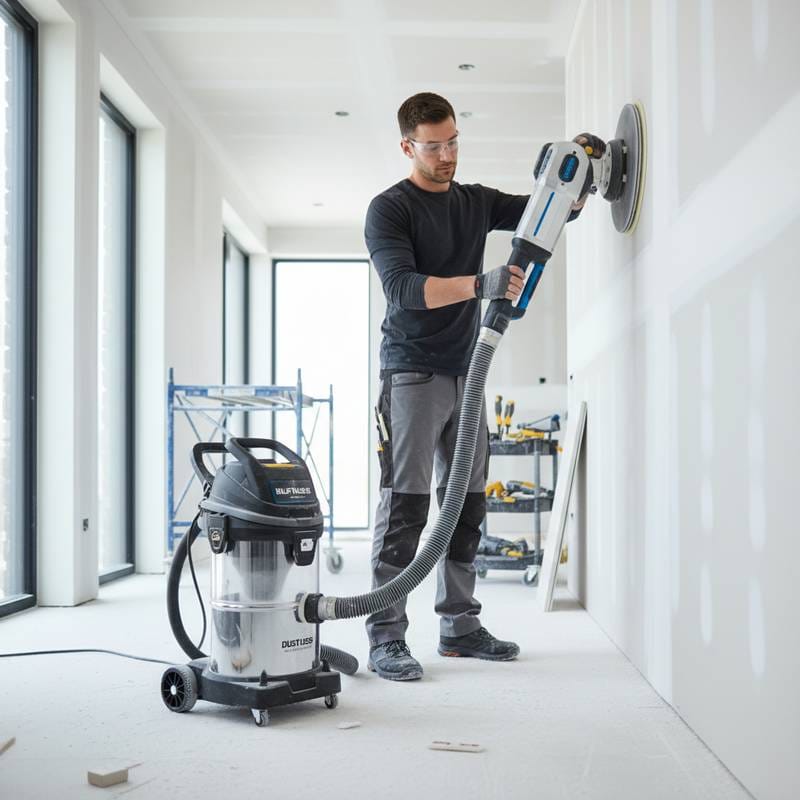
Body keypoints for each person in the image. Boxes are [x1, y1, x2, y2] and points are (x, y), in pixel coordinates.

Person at [364, 91, 592, 682]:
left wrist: (581, 171)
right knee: (407, 506)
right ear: (408, 146)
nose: (446, 156)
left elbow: (547, 212)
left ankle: (459, 624)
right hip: (412, 371)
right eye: (433, 146)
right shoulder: (389, 209)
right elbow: (404, 289)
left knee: (467, 503)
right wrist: (480, 283)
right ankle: (386, 635)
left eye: (453, 142)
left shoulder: (474, 201)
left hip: (468, 371)